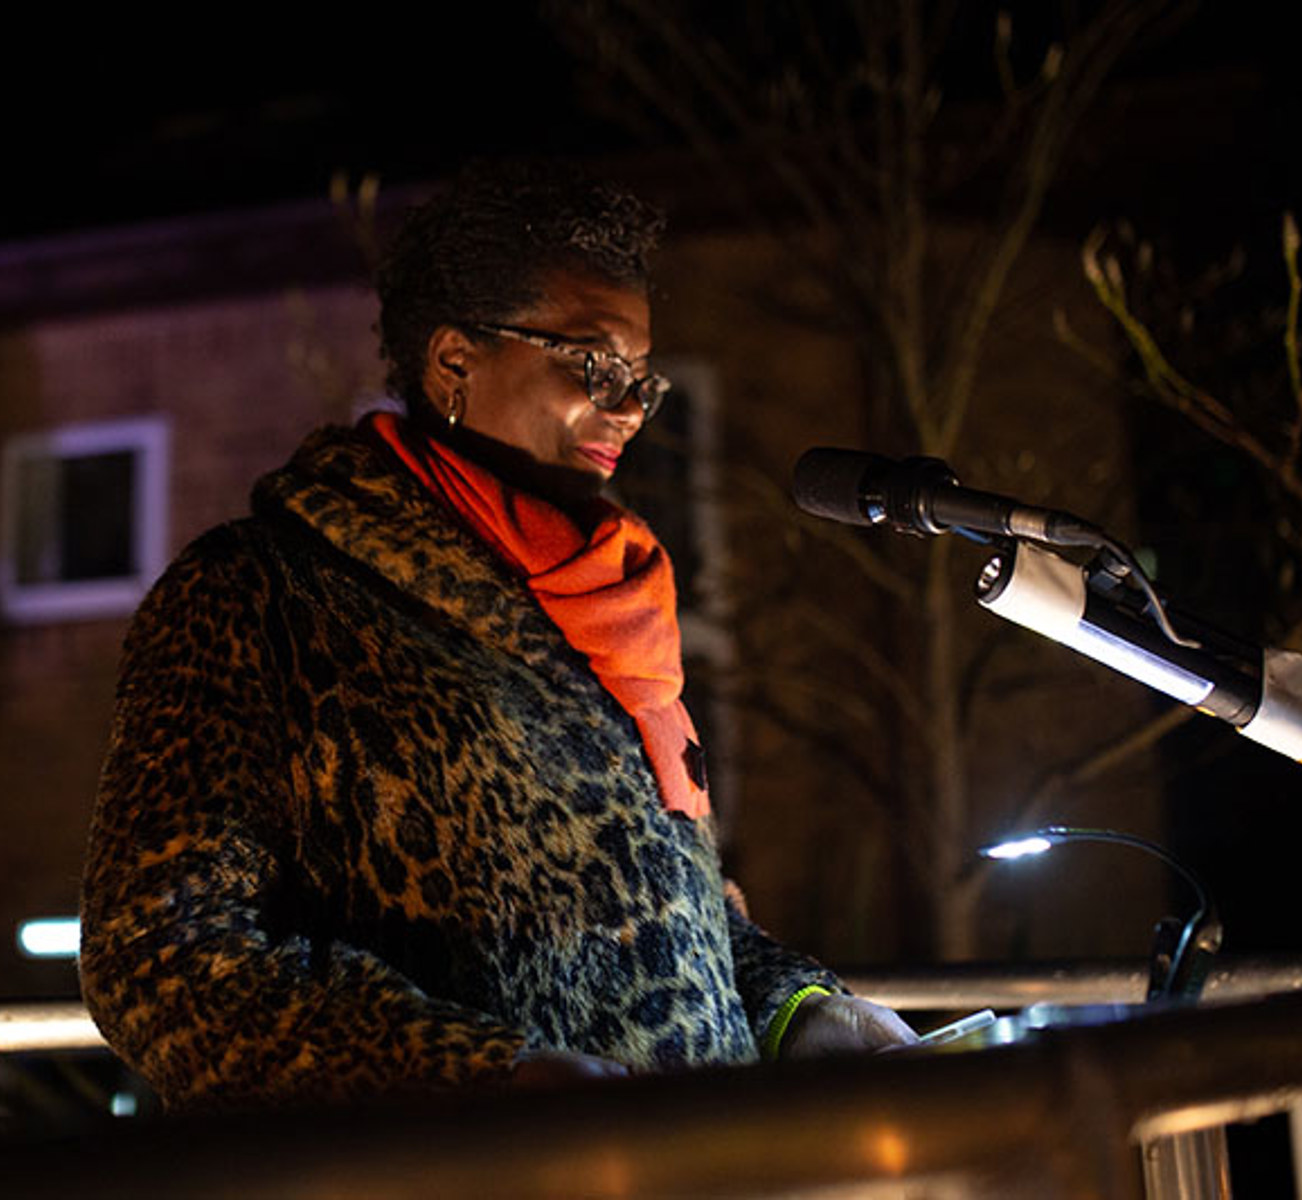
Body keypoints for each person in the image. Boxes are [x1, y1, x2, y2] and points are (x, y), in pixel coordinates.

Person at [79, 161, 917, 1109]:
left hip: (687, 1159)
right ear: (454, 363)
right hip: (462, 1167)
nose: (629, 410)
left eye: (641, 380)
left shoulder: (613, 611)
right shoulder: (262, 592)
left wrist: (798, 1009)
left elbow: (669, 923)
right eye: (594, 366)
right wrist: (477, 1078)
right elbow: (161, 958)